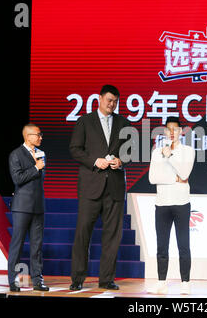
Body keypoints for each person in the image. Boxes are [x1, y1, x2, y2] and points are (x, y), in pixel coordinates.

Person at [69, 84, 131, 291]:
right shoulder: (85, 121)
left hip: (114, 187)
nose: (112, 104)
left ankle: (106, 279)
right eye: (109, 100)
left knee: (112, 236)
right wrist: (95, 161)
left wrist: (121, 161)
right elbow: (75, 149)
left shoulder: (124, 123)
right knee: (83, 233)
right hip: (91, 186)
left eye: (115, 101)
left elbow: (131, 151)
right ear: (99, 98)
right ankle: (77, 279)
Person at [148, 116, 195, 294]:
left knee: (183, 244)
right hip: (162, 203)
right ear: (165, 132)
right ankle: (161, 281)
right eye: (169, 129)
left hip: (182, 202)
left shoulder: (188, 151)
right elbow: (153, 178)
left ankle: (185, 281)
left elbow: (184, 173)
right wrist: (173, 179)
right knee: (162, 245)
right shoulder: (156, 152)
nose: (172, 132)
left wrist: (170, 156)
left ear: (181, 132)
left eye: (176, 129)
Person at [8, 123, 49, 292]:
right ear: (28, 136)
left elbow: (40, 179)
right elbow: (17, 179)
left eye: (40, 134)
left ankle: (38, 280)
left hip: (38, 206)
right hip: (22, 206)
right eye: (38, 134)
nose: (41, 137)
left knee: (36, 246)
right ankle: (14, 280)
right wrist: (35, 168)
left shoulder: (41, 153)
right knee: (17, 245)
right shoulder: (16, 154)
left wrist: (37, 167)